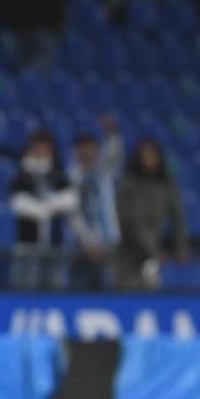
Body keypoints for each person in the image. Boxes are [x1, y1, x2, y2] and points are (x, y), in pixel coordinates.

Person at [116, 137, 190, 288]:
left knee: (152, 291)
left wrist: (181, 246)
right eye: (145, 157)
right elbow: (131, 220)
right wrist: (153, 250)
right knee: (127, 293)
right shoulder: (129, 183)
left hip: (154, 250)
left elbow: (178, 218)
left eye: (152, 157)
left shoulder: (166, 184)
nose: (148, 161)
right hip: (129, 251)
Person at [9, 131, 78, 289]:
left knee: (55, 288)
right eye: (39, 147)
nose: (42, 151)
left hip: (54, 244)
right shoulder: (22, 175)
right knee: (25, 288)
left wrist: (45, 206)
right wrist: (48, 208)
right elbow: (19, 204)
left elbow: (71, 200)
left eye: (46, 147)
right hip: (28, 244)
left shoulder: (57, 175)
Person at [67, 119, 124, 289]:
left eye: (90, 149)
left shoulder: (104, 173)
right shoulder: (72, 177)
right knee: (80, 289)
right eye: (82, 150)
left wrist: (112, 135)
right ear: (76, 152)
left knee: (110, 289)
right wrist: (89, 242)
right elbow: (73, 214)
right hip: (82, 246)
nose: (87, 154)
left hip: (109, 241)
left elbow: (116, 156)